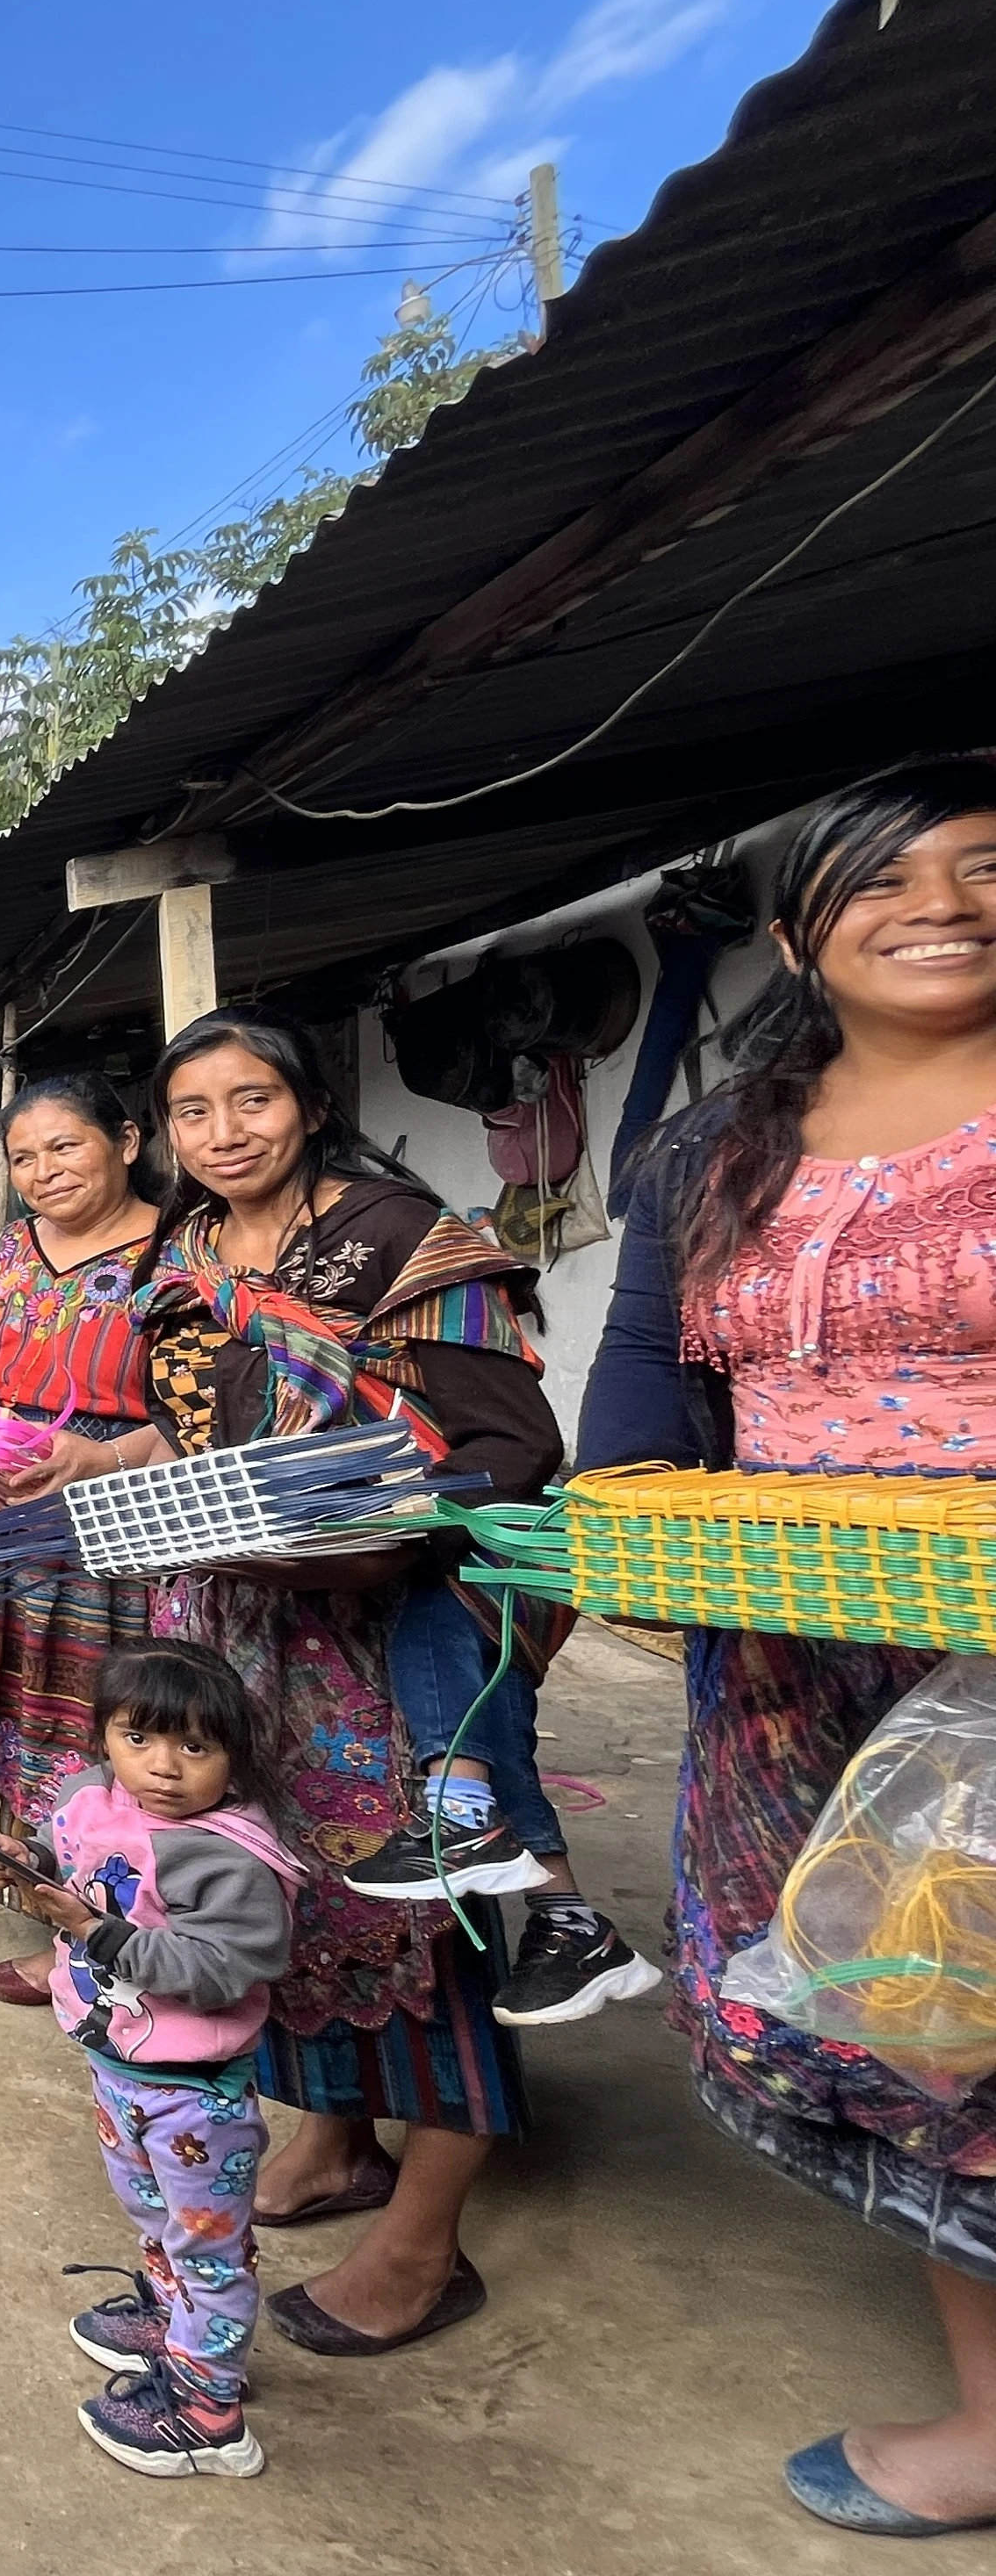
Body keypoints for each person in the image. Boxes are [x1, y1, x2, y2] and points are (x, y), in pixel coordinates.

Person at [580, 763, 996, 2536]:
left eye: (984, 869)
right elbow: (647, 1373)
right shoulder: (717, 1142)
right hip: (795, 1656)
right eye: (882, 880)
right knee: (909, 2010)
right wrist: (621, 1518)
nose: (942, 905)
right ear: (795, 933)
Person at [57, 1004, 561, 2357]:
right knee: (266, 1886)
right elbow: (187, 1430)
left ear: (310, 1104)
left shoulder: (409, 1242)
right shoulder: (190, 1254)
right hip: (235, 1622)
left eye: (253, 1103)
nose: (225, 1136)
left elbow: (512, 1448)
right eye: (194, 1113)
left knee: (422, 1904)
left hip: (386, 1628)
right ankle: (339, 2135)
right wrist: (105, 1473)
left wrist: (349, 1530)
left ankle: (426, 2237)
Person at [11, 1641, 299, 2480]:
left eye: (195, 1748)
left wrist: (99, 1935)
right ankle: (170, 2316)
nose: (163, 1767)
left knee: (212, 2251)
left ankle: (210, 2412)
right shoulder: (88, 1800)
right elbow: (70, 1855)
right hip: (119, 2071)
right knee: (151, 2216)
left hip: (196, 2097)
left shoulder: (231, 1856)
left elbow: (221, 1971)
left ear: (234, 1758)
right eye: (138, 1738)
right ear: (104, 1735)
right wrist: (28, 1861)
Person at [0, 1073, 165, 2007]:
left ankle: (118, 1944)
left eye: (66, 1146)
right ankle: (54, 1915)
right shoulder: (12, 1249)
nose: (43, 1170)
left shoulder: (175, 1252)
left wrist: (100, 1459)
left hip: (114, 1521)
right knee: (5, 1709)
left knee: (108, 1717)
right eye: (24, 1156)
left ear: (127, 1141)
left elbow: (199, 1405)